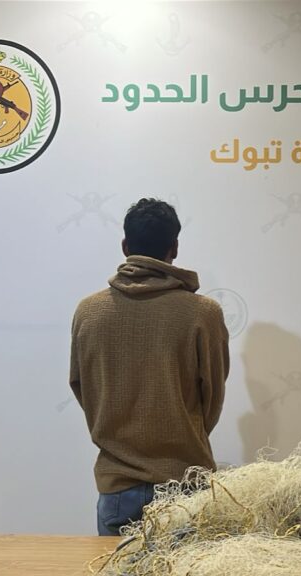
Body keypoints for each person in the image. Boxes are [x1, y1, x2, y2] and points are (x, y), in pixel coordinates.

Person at [70, 198, 229, 536]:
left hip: (117, 487)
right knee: (188, 574)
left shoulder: (88, 312)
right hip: (186, 486)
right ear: (175, 247)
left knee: (115, 574)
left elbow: (83, 387)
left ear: (125, 246)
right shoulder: (203, 314)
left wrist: (117, 428)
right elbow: (213, 397)